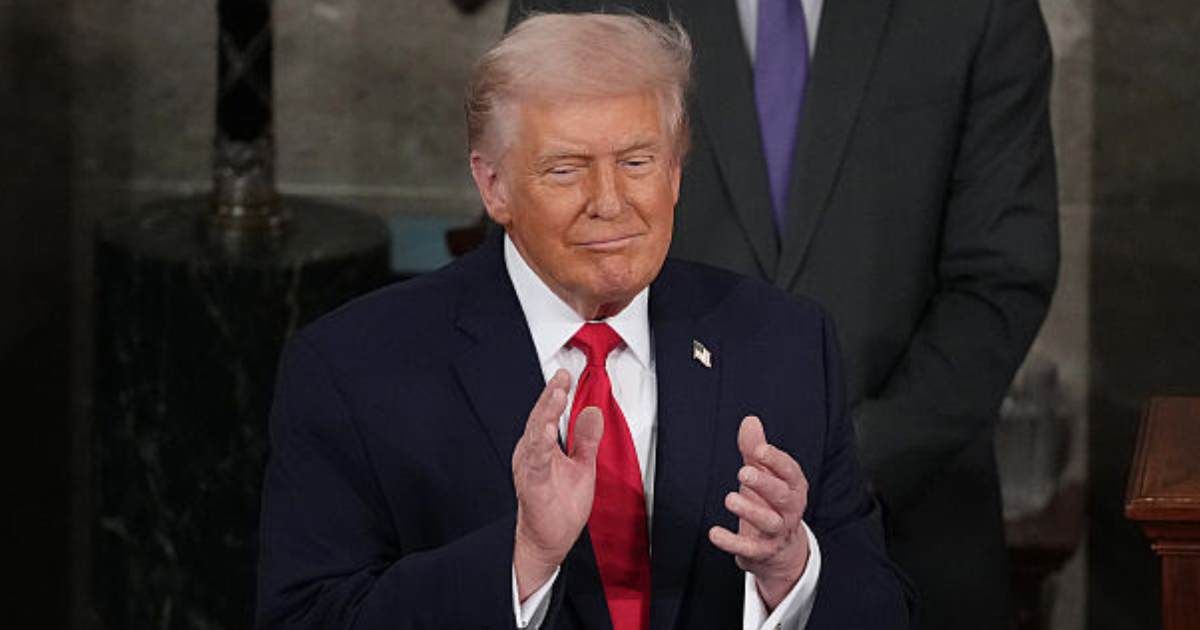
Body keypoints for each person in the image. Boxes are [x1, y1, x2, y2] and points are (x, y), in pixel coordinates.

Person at [256, 13, 910, 630]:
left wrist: (790, 570)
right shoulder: (354, 369)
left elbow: (883, 609)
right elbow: (308, 618)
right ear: (494, 187)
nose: (609, 203)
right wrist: (521, 561)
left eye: (637, 162)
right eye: (566, 170)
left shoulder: (784, 344)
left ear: (676, 172)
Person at [506, 1, 1060, 628]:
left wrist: (836, 467)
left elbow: (1001, 278)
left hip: (912, 532)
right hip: (624, 551)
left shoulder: (980, 13)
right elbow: (539, 239)